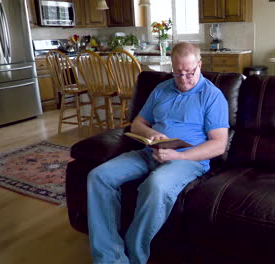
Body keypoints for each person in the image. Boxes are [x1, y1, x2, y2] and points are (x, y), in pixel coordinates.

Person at [87, 42, 229, 264]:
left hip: (187, 160)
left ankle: (135, 257)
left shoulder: (212, 95)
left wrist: (179, 156)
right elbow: (137, 124)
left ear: (199, 65)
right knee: (98, 176)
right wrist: (152, 134)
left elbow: (219, 144)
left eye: (189, 73)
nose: (183, 79)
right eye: (177, 73)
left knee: (156, 185)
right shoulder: (161, 89)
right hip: (150, 152)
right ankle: (110, 258)